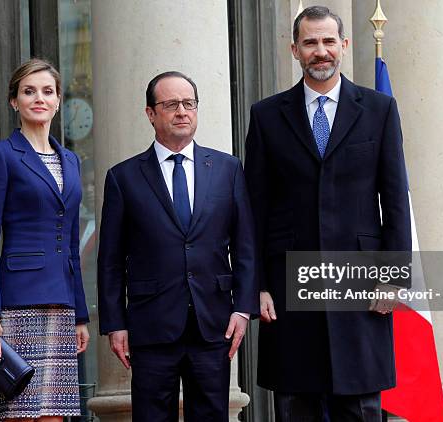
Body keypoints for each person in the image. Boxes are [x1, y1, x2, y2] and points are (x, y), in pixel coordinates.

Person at [244, 6, 411, 421]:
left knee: (359, 406)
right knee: (296, 403)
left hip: (361, 285)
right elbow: (254, 208)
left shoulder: (379, 110)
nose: (321, 51)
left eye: (328, 41)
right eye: (310, 43)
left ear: (344, 46)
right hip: (288, 285)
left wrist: (393, 278)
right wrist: (258, 285)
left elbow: (394, 201)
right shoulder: (266, 116)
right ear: (295, 50)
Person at [97, 71, 259, 422]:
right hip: (151, 324)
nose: (182, 111)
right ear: (151, 114)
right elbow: (110, 260)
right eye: (171, 104)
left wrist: (243, 309)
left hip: (213, 322)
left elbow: (246, 247)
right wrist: (115, 323)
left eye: (189, 103)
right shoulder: (123, 178)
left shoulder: (227, 169)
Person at [0, 58, 90, 422]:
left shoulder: (70, 161)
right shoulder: (1, 155)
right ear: (14, 102)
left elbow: (72, 243)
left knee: (55, 415)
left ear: (57, 101)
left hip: (61, 303)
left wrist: (81, 314)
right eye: (28, 91)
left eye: (47, 91)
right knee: (21, 413)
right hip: (18, 304)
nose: (39, 98)